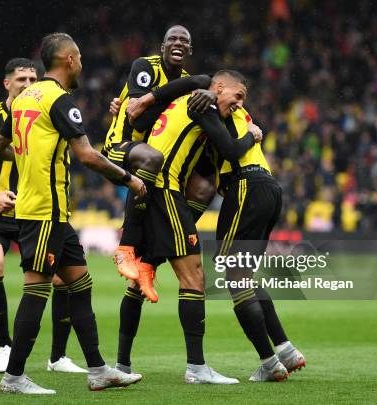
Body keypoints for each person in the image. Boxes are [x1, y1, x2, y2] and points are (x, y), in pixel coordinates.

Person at [0, 33, 145, 394]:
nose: (81, 66)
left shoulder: (22, 99)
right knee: (37, 290)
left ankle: (98, 370)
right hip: (45, 208)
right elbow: (88, 155)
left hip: (51, 212)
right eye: (79, 59)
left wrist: (31, 156)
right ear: (71, 60)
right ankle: (13, 377)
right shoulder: (59, 100)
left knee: (80, 283)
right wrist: (130, 180)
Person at [0, 58, 85, 375]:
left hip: (34, 209)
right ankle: (5, 345)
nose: (28, 85)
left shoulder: (44, 112)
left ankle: (58, 357)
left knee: (63, 277)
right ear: (7, 84)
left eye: (33, 79)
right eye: (21, 80)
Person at [138, 70, 259, 384]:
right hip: (166, 189)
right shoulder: (201, 103)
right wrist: (253, 135)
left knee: (147, 269)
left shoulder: (187, 97)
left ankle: (122, 364)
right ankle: (196, 368)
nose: (239, 104)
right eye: (238, 96)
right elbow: (231, 150)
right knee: (194, 277)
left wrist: (140, 103)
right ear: (218, 88)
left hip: (158, 189)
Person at [104, 25, 217, 289]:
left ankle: (153, 249)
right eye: (172, 39)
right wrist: (186, 87)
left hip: (154, 164)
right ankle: (125, 247)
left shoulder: (187, 80)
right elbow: (139, 118)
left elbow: (213, 86)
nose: (178, 43)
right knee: (152, 158)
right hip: (121, 146)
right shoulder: (145, 66)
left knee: (203, 188)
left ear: (190, 50)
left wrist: (206, 89)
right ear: (162, 46)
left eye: (184, 40)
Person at [215, 107, 306, 382]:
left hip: (246, 186)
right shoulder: (240, 113)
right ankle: (285, 349)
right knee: (244, 276)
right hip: (268, 187)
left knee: (235, 277)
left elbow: (230, 152)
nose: (239, 100)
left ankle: (269, 362)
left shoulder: (211, 109)